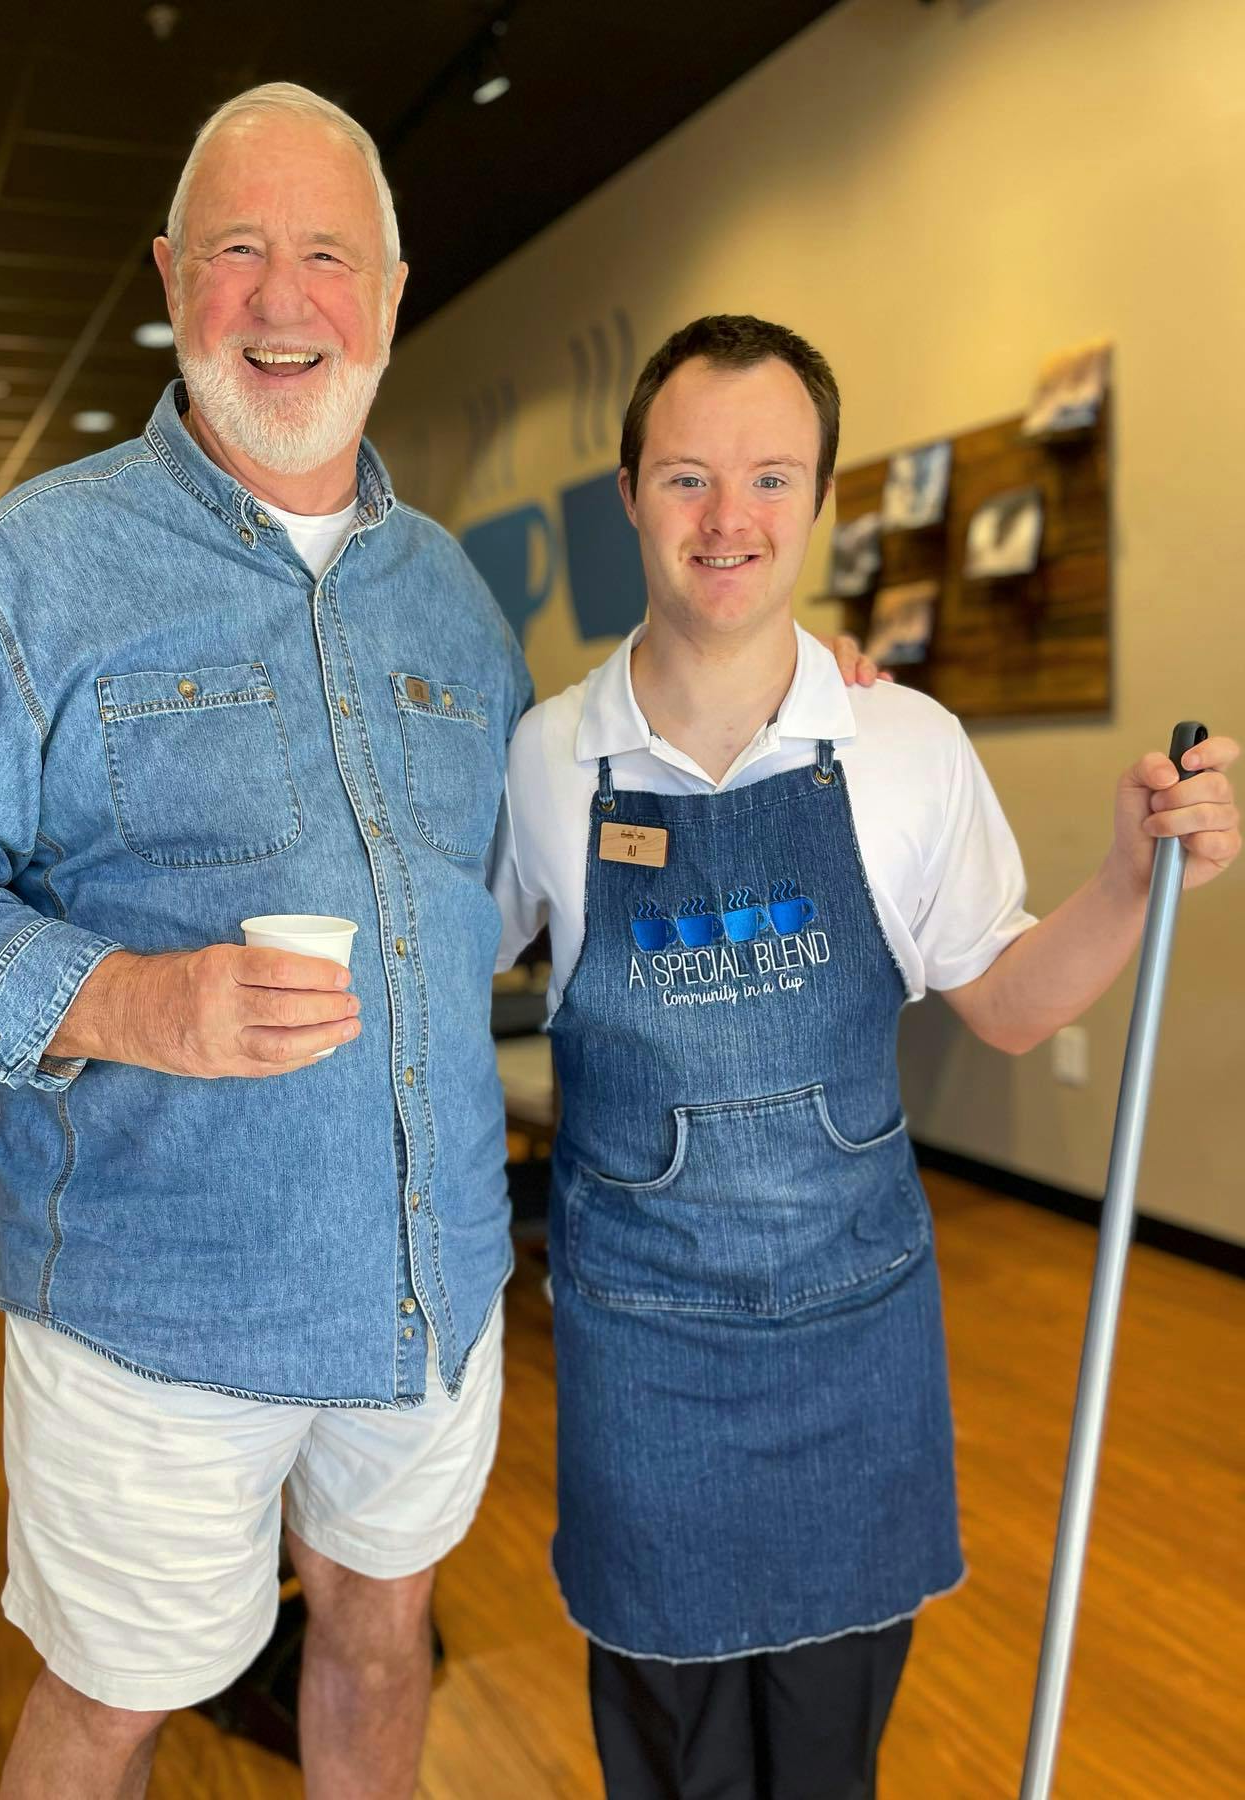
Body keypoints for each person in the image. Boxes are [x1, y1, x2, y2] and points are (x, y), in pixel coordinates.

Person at [0, 84, 881, 1798]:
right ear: (172, 274)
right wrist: (125, 996)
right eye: (240, 250)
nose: (284, 298)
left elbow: (564, 833)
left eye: (327, 254)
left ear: (387, 288)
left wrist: (814, 695)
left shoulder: (452, 602)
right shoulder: (36, 574)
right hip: (162, 1316)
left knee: (383, 1643)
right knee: (111, 1701)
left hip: (427, 1289)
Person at [491, 314, 1239, 1800]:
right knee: (674, 1773)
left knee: (832, 1767)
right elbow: (448, 981)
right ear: (630, 491)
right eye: (689, 477)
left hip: (854, 1350)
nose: (729, 519)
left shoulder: (907, 748)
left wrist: (1126, 880)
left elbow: (1014, 1006)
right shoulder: (546, 759)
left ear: (822, 501)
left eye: (773, 479)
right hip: (645, 1360)